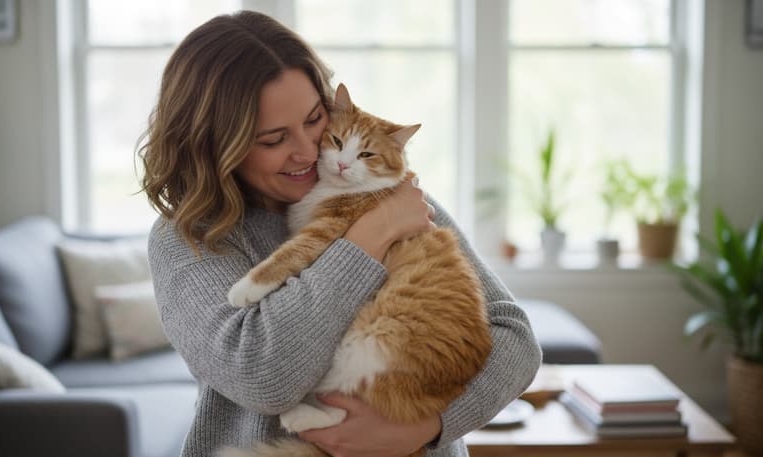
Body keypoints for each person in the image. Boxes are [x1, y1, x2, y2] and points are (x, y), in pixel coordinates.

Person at [140, 10, 542, 457]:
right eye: (274, 139)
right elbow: (264, 376)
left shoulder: (391, 192)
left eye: (315, 119)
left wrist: (428, 426)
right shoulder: (192, 237)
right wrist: (371, 235)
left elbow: (515, 338)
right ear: (215, 145)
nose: (310, 151)